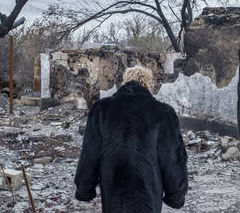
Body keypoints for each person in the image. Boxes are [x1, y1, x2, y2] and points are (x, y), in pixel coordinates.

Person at [74, 65, 188, 213]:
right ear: (148, 84)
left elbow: (90, 153)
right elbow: (172, 158)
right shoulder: (163, 112)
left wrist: (84, 188)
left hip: (113, 187)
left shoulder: (101, 109)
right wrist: (176, 195)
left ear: (124, 82)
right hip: (147, 191)